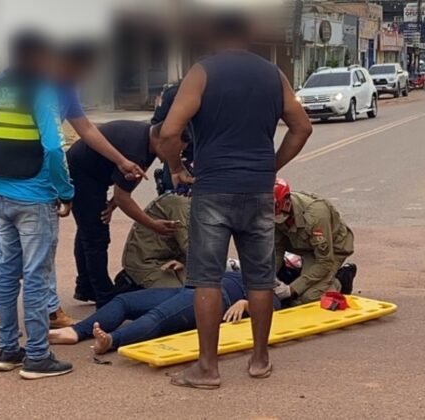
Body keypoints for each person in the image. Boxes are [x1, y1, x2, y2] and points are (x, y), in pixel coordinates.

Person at [157, 13, 312, 389]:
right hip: (258, 190)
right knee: (259, 277)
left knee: (207, 279)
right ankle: (260, 360)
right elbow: (302, 127)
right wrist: (270, 165)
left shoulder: (202, 72)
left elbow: (169, 131)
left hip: (213, 188)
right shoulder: (273, 75)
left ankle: (207, 368)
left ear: (214, 36)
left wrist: (176, 167)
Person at [0, 40, 145, 337]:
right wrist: (64, 190)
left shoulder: (66, 87)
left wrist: (121, 160)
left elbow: (86, 129)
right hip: (20, 175)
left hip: (32, 174)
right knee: (12, 249)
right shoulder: (32, 81)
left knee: (34, 253)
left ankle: (38, 320)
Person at [0, 30, 74, 379]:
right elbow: (53, 148)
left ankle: (7, 350)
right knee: (37, 276)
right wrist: (65, 192)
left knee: (8, 272)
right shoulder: (42, 91)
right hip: (36, 198)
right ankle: (37, 355)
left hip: (3, 192)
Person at [67, 121, 178, 308]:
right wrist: (153, 225)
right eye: (175, 151)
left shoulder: (148, 141)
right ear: (162, 142)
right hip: (82, 172)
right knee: (96, 236)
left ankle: (86, 286)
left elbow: (129, 183)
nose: (175, 158)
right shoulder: (136, 150)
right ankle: (104, 296)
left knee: (89, 227)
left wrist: (112, 205)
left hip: (95, 172)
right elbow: (124, 197)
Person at [49, 272, 280, 354]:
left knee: (158, 317)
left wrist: (246, 303)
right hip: (193, 287)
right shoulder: (244, 269)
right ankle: (76, 332)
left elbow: (272, 308)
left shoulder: (269, 291)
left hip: (215, 299)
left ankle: (110, 341)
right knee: (124, 301)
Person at [272, 179, 355, 306]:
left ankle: (341, 279)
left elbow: (324, 262)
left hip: (332, 249)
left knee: (306, 299)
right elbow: (277, 248)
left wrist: (291, 290)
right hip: (303, 246)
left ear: (287, 202)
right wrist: (268, 277)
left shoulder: (316, 215)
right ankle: (300, 275)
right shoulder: (275, 211)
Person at [117, 192, 190, 291]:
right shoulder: (180, 202)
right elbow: (190, 247)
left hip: (173, 260)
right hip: (149, 264)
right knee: (187, 297)